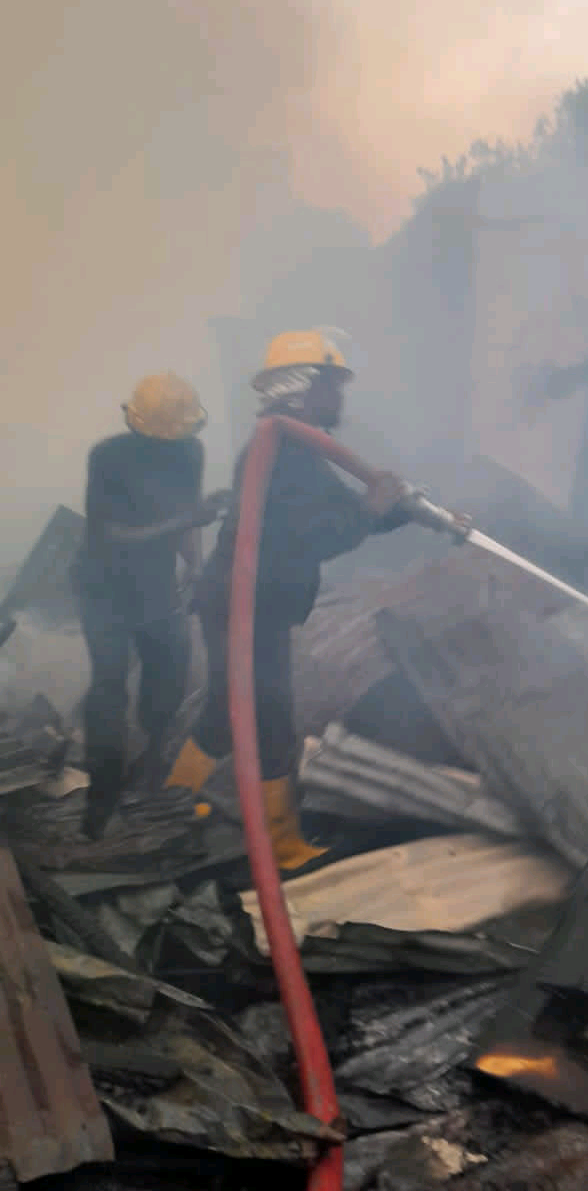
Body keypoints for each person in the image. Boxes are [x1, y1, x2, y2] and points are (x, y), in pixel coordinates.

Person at [163, 328, 412, 876]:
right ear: (306, 386)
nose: (341, 398)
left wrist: (399, 509)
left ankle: (168, 807)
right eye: (333, 384)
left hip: (249, 602)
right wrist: (371, 510)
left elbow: (345, 514)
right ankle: (282, 846)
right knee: (271, 719)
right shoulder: (284, 449)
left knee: (226, 714)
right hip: (244, 605)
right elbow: (315, 534)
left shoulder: (295, 448)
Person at [73, 373, 231, 840]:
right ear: (132, 422)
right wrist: (186, 519)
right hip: (103, 587)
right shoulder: (109, 457)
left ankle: (149, 772)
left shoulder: (189, 451)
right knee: (109, 688)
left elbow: (189, 519)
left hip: (155, 586)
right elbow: (110, 534)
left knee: (169, 676)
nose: (170, 445)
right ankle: (100, 804)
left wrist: (196, 566)